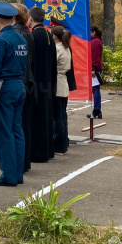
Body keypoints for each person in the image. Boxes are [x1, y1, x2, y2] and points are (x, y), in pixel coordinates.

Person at [0, 2, 28, 187]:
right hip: (19, 85)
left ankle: (8, 175)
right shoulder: (22, 38)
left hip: (4, 87)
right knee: (17, 130)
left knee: (4, 132)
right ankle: (18, 173)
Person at [28, 6, 56, 163]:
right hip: (47, 82)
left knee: (37, 119)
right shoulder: (47, 34)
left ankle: (38, 153)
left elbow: (32, 62)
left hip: (37, 83)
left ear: (30, 18)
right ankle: (47, 150)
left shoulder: (35, 35)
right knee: (46, 118)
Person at [12, 4, 34, 173]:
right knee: (23, 125)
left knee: (14, 127)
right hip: (27, 81)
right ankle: (24, 161)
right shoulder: (28, 32)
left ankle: (17, 164)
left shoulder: (16, 33)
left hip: (18, 80)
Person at [52, 26, 72, 154]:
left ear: (54, 36)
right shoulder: (66, 48)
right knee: (62, 116)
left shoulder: (57, 48)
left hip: (58, 84)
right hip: (63, 83)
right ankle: (63, 143)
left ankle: (58, 144)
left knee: (57, 117)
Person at [89, 26, 104, 119]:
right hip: (96, 67)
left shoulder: (95, 42)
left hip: (95, 68)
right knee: (95, 89)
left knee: (95, 89)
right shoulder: (97, 41)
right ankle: (97, 109)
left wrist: (92, 68)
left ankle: (97, 109)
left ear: (93, 32)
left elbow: (95, 57)